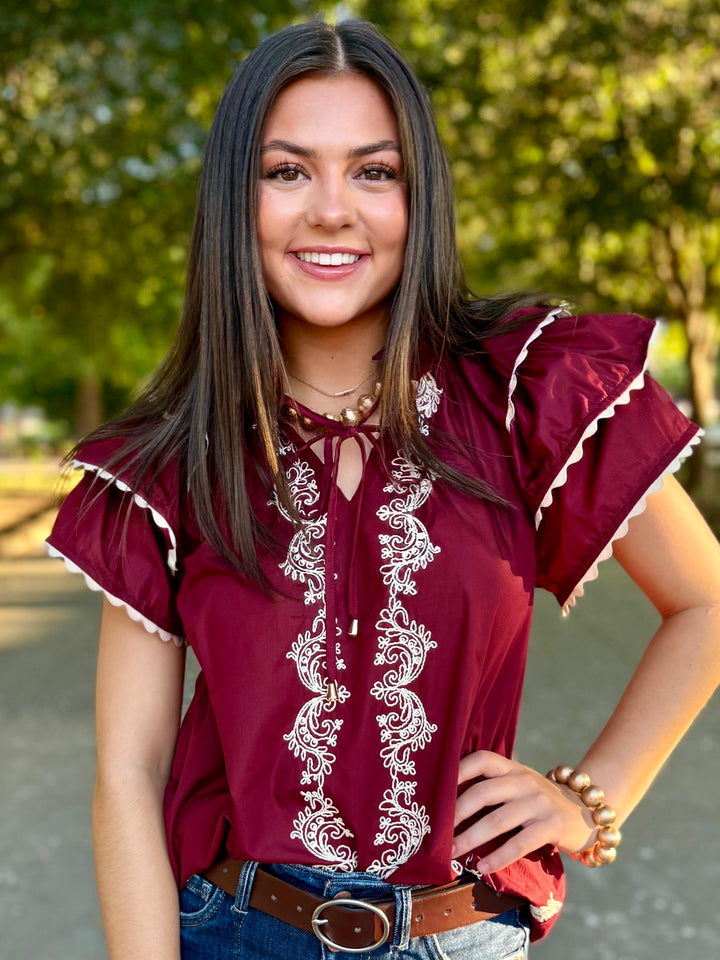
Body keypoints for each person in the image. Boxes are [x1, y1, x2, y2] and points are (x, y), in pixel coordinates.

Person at [47, 18, 720, 960]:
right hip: (234, 932)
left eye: (375, 171)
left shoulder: (526, 389)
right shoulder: (166, 462)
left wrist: (588, 797)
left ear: (421, 197)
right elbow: (128, 770)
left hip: (464, 934)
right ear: (234, 202)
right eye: (287, 172)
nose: (332, 209)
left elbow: (706, 604)